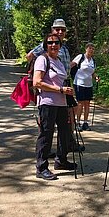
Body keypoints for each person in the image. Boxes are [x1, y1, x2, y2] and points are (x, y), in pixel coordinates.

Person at [26, 19, 83, 153]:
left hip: (65, 84)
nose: (60, 32)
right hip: (49, 87)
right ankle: (47, 148)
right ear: (52, 30)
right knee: (47, 121)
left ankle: (68, 143)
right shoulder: (46, 45)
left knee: (69, 115)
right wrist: (40, 69)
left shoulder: (64, 47)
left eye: (63, 29)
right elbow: (29, 56)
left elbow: (67, 67)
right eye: (57, 29)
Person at [33, 32, 76, 180]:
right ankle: (41, 167)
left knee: (65, 133)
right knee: (46, 134)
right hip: (47, 103)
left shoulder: (58, 61)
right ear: (46, 46)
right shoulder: (42, 59)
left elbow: (61, 81)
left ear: (60, 46)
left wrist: (68, 92)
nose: (53, 45)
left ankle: (61, 161)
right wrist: (60, 89)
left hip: (62, 103)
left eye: (56, 43)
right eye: (50, 43)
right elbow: (37, 82)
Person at [71, 42, 99, 131]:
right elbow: (72, 64)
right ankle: (78, 122)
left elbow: (92, 72)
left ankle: (85, 123)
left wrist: (96, 77)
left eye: (93, 49)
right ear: (86, 49)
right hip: (79, 83)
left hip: (88, 84)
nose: (91, 50)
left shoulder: (93, 61)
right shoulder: (81, 57)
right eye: (90, 48)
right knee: (80, 104)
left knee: (87, 104)